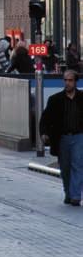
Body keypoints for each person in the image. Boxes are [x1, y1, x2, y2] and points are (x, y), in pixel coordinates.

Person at [40, 69, 83, 205]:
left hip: (79, 136)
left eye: (70, 80)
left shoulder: (82, 98)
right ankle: (68, 192)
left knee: (78, 165)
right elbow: (45, 119)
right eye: (65, 80)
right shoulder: (55, 100)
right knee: (65, 168)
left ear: (76, 82)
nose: (67, 83)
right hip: (62, 137)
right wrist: (44, 133)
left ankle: (76, 195)